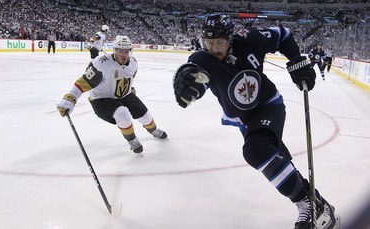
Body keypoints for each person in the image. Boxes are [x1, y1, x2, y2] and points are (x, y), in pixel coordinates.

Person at [173, 14, 340, 229]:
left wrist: (296, 60)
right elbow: (196, 75)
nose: (214, 49)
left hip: (269, 105)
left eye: (220, 42)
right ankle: (319, 205)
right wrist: (185, 84)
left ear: (230, 39)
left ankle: (306, 202)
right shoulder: (202, 59)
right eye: (209, 43)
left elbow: (283, 35)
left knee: (256, 150)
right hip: (244, 120)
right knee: (276, 160)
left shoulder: (250, 39)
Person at [57, 35, 167, 156]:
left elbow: (128, 78)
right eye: (120, 51)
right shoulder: (101, 64)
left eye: (126, 51)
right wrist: (71, 97)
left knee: (145, 115)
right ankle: (132, 139)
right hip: (102, 99)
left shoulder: (134, 63)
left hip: (125, 95)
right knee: (122, 114)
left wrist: (129, 89)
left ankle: (153, 130)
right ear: (114, 50)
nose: (123, 55)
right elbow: (84, 82)